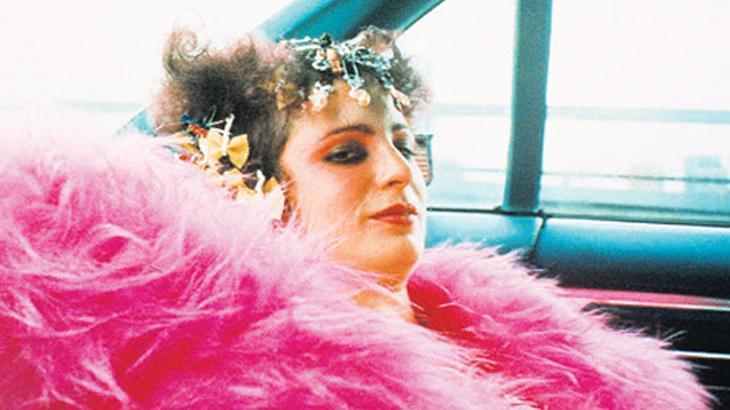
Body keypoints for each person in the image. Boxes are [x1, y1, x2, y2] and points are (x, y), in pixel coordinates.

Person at [0, 27, 710, 409]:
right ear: (251, 188)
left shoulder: (526, 337)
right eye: (347, 153)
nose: (401, 172)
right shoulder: (249, 388)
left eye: (406, 144)